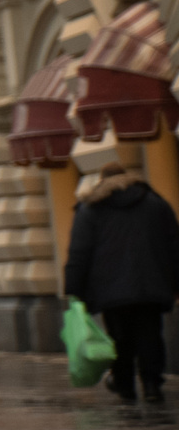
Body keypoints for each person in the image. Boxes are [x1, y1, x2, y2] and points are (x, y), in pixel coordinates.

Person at [63, 164, 179, 404]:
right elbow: (174, 246)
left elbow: (80, 252)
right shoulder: (155, 204)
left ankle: (125, 386)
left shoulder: (91, 209)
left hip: (110, 288)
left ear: (102, 182)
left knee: (119, 338)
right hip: (151, 285)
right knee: (150, 335)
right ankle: (151, 385)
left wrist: (74, 289)